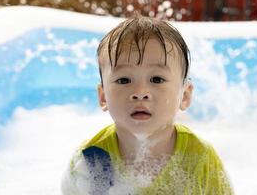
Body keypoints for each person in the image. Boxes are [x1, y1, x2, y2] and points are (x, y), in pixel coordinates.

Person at [61, 16, 234, 195]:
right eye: (123, 80)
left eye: (156, 79)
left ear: (185, 95)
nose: (140, 91)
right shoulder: (91, 161)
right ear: (103, 96)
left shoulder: (199, 158)